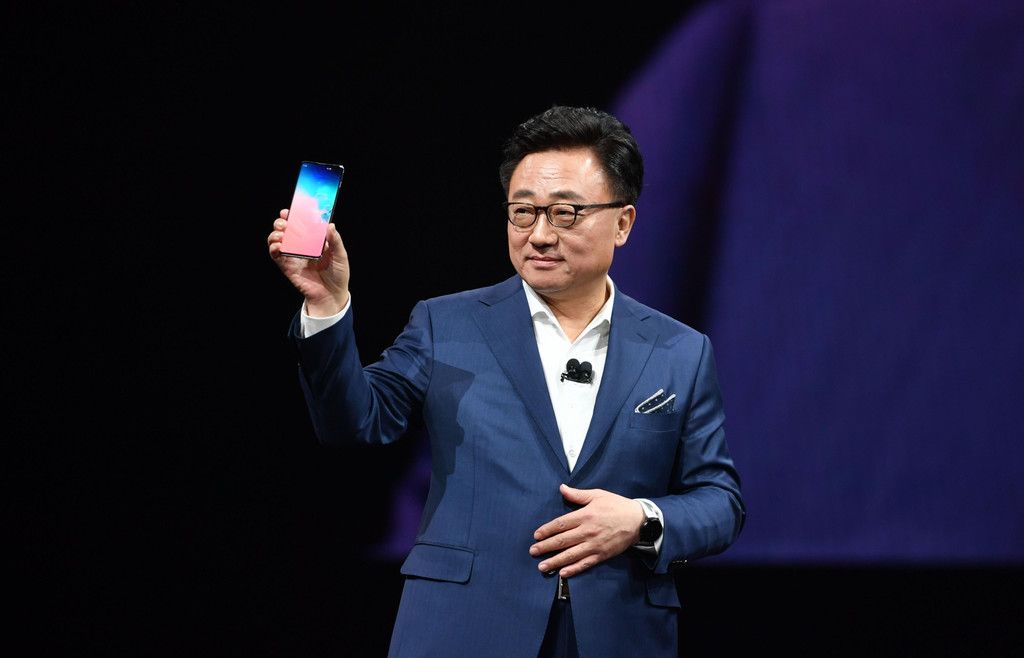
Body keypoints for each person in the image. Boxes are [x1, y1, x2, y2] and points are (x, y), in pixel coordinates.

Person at [267, 105, 745, 658]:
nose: (539, 235)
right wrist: (327, 306)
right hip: (463, 629)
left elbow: (720, 501)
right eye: (523, 212)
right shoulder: (446, 323)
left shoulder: (680, 350)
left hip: (616, 631)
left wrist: (640, 519)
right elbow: (354, 422)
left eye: (564, 213)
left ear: (623, 222)